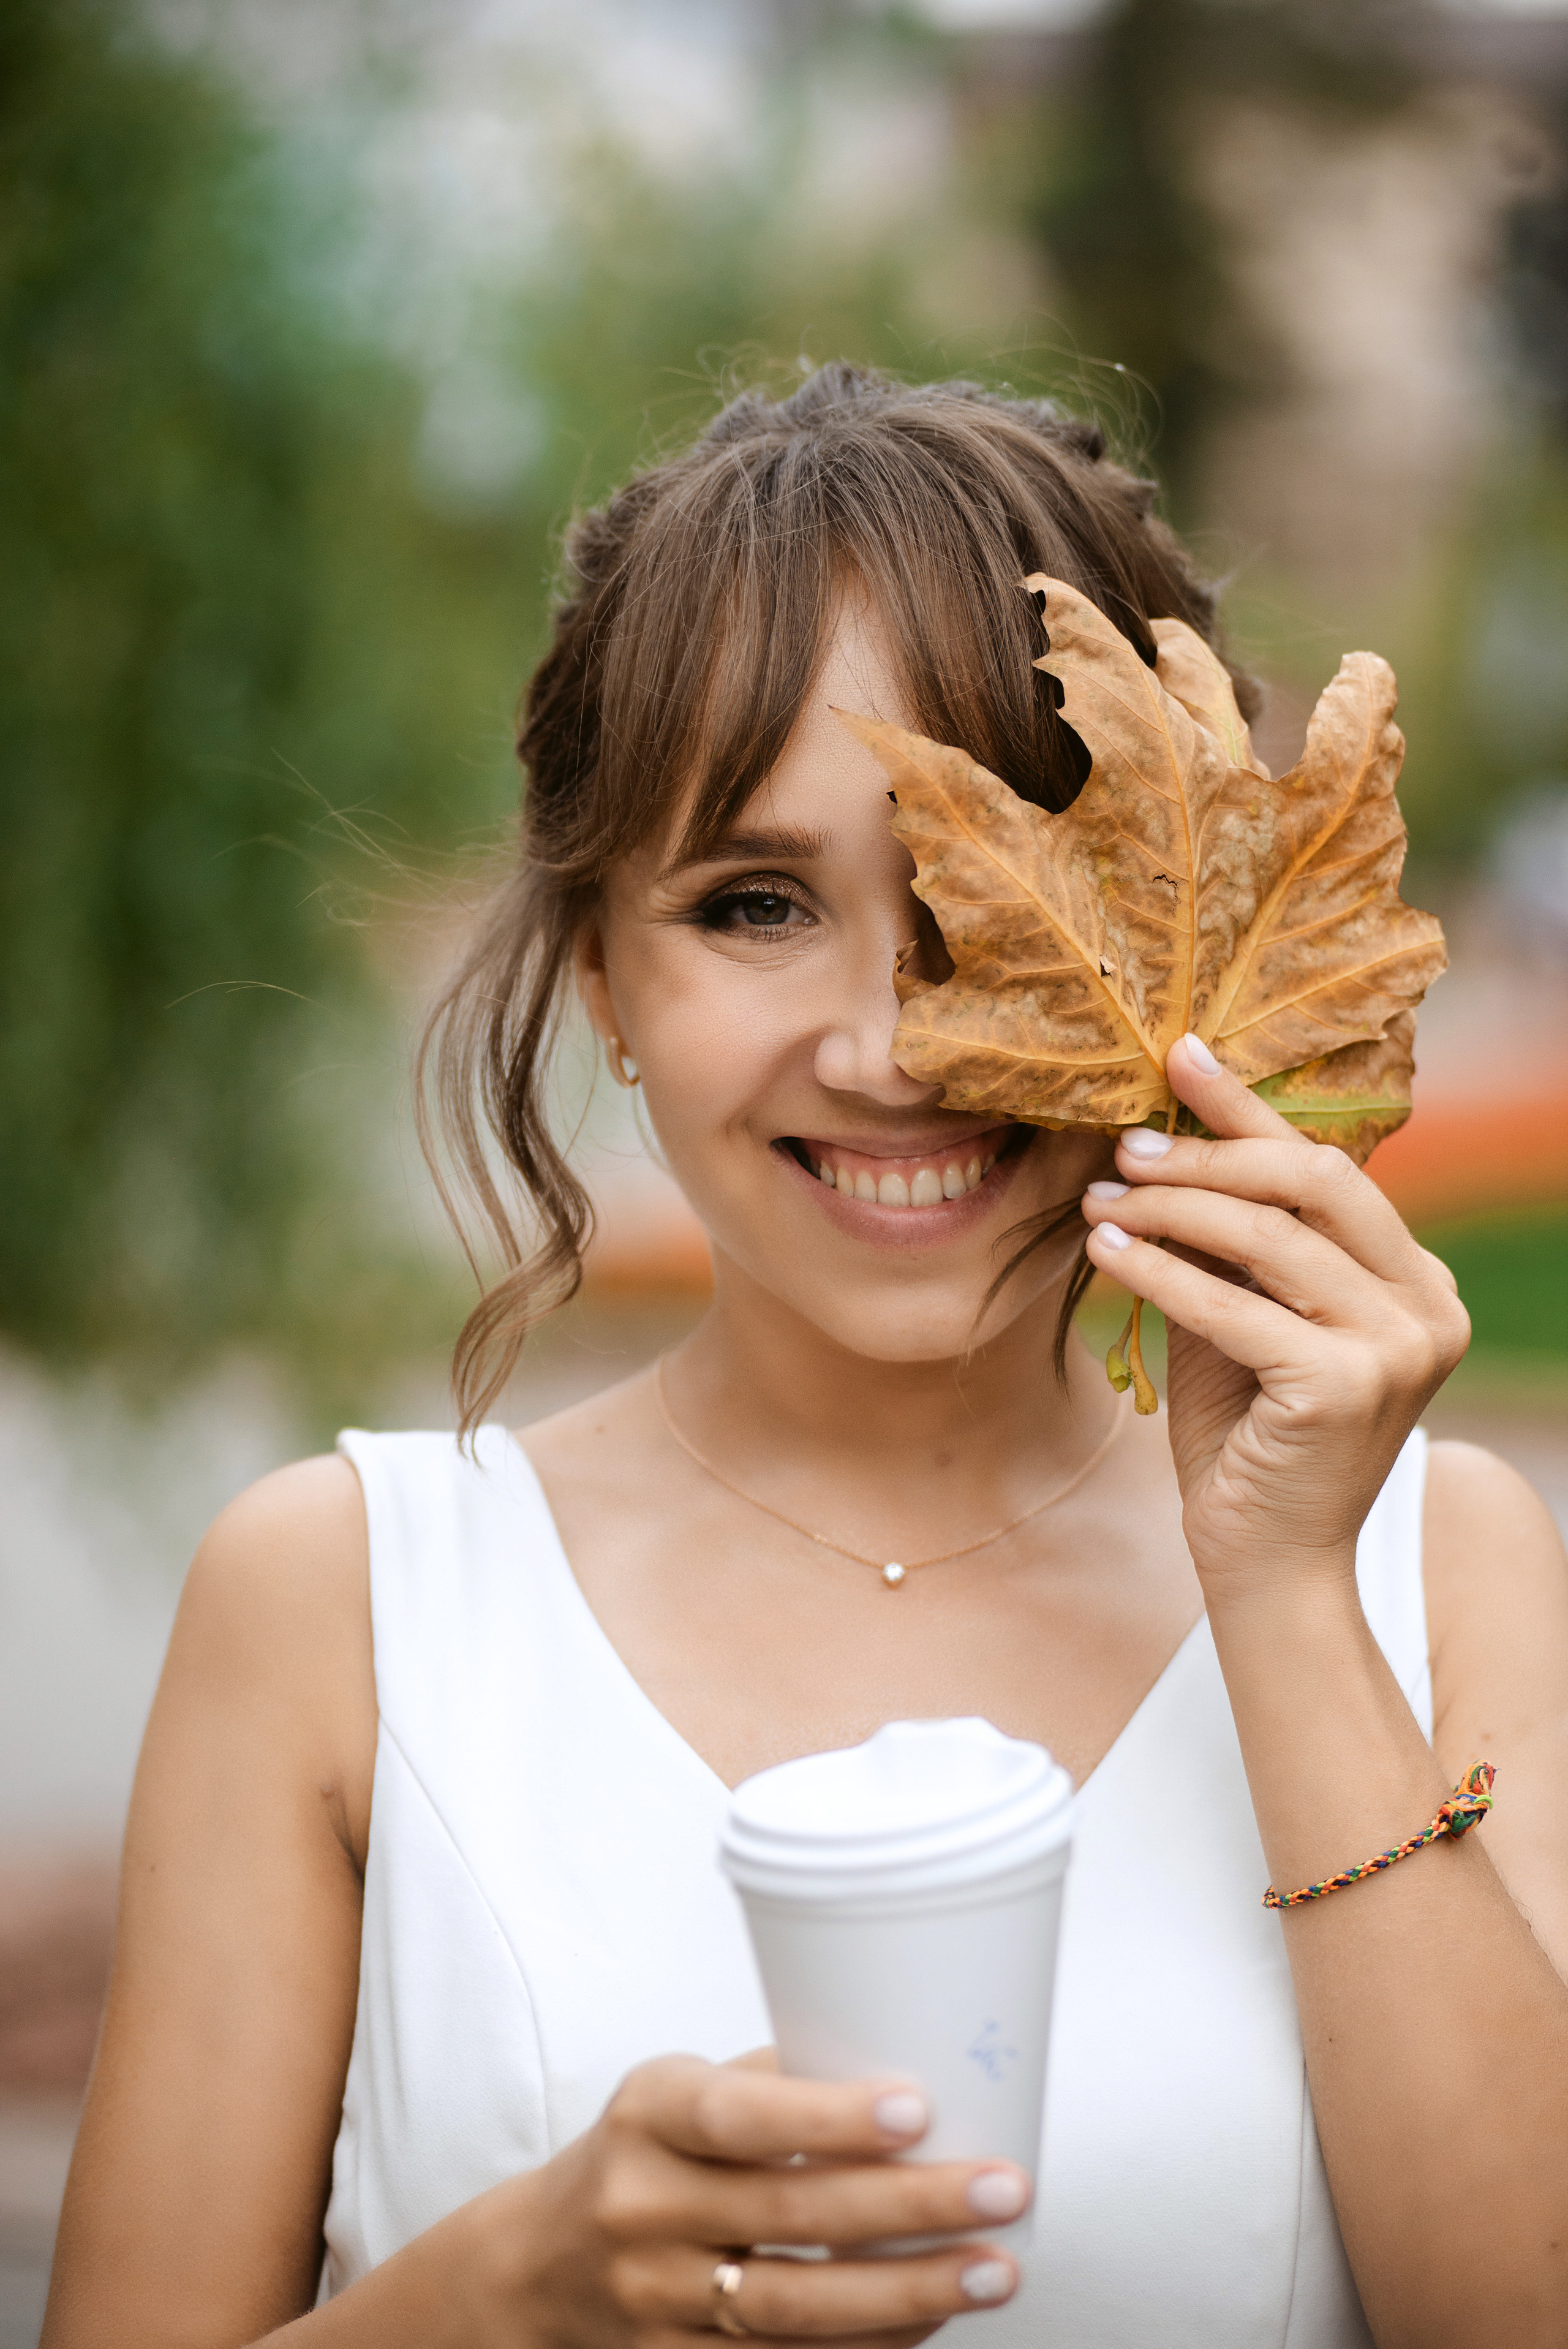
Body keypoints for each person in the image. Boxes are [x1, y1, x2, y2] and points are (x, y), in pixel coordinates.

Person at [41, 366, 1568, 2349]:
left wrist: (1280, 1587)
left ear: (1187, 936)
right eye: (757, 904)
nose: (892, 1042)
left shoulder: (1426, 1566)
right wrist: (502, 2293)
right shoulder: (344, 1598)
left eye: (980, 904)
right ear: (599, 970)